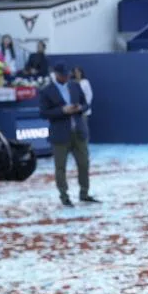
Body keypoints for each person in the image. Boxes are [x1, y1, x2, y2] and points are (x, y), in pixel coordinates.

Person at [40, 64, 95, 207]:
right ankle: (64, 196)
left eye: (67, 74)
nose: (66, 77)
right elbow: (43, 113)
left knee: (84, 164)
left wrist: (80, 108)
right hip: (60, 134)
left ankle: (84, 193)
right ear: (56, 74)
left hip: (78, 131)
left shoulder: (75, 86)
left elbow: (86, 104)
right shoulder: (47, 91)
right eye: (63, 75)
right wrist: (62, 111)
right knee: (60, 167)